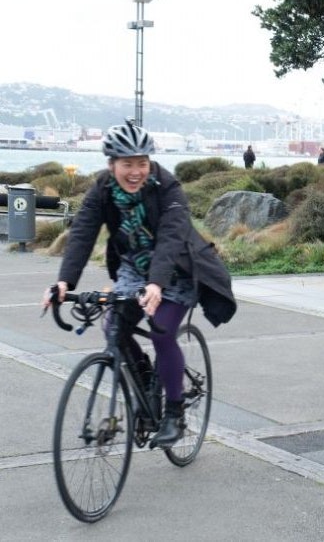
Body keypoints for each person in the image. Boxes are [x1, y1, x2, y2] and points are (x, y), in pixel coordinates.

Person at [43, 119, 236, 449]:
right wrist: (63, 282)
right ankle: (146, 378)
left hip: (177, 268)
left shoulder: (167, 186)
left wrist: (157, 284)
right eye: (127, 164)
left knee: (162, 329)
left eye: (142, 163)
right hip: (134, 268)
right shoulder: (102, 189)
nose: (136, 172)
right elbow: (83, 233)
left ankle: (174, 413)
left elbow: (172, 237)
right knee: (112, 329)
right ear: (111, 164)